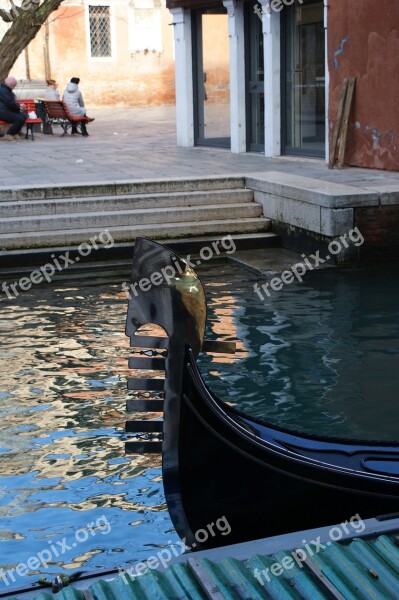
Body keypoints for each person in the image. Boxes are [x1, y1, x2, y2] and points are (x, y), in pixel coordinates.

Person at [0, 76, 27, 141]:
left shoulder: (6, 89)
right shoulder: (3, 91)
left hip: (5, 111)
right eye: (14, 85)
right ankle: (9, 134)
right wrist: (19, 107)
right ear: (11, 85)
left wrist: (19, 106)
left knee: (23, 116)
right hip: (2, 112)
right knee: (19, 119)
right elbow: (9, 103)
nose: (14, 87)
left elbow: (11, 102)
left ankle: (14, 133)